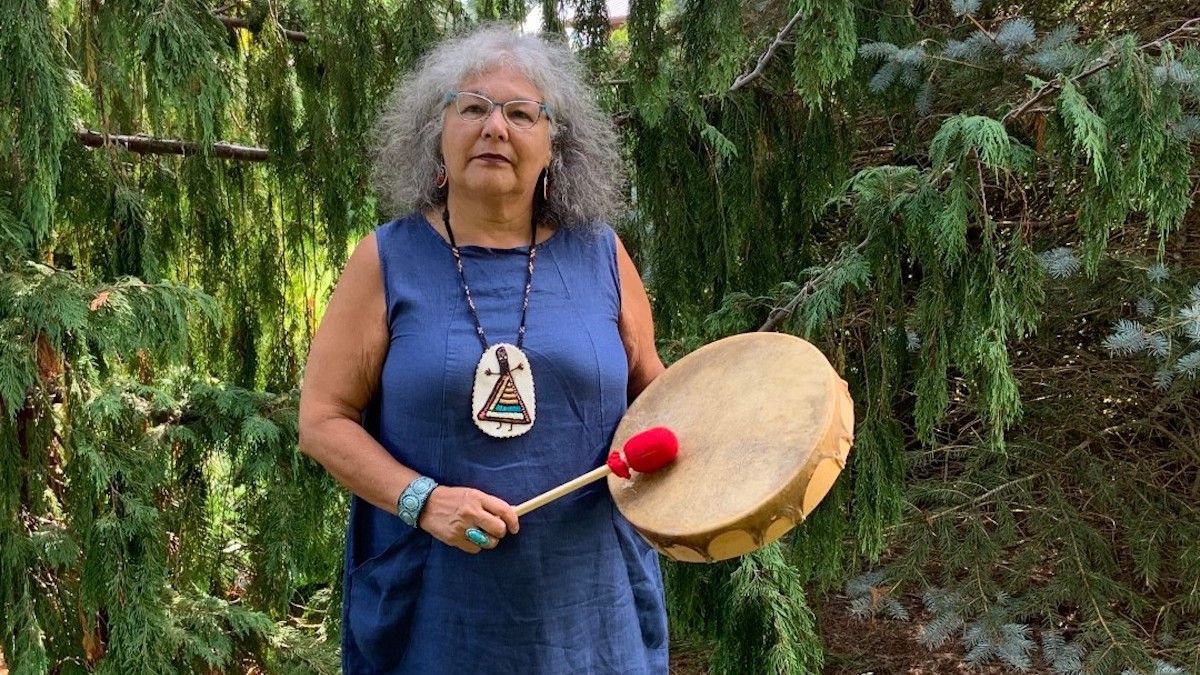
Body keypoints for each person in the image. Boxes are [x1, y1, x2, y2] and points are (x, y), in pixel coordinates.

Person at [298, 24, 668, 674]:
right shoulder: (385, 260)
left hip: (590, 614)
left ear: (555, 143)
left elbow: (659, 399)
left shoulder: (604, 256)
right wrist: (424, 500)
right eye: (472, 107)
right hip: (437, 617)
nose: (495, 127)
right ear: (435, 133)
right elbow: (322, 420)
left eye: (522, 113)